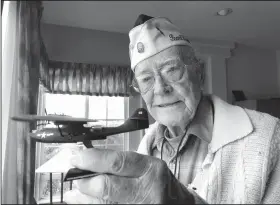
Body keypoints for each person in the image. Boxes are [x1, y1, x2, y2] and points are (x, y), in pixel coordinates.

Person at [64, 14, 280, 204]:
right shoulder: (147, 144)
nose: (160, 88)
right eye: (146, 79)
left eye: (171, 70)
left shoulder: (269, 138)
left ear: (199, 73)